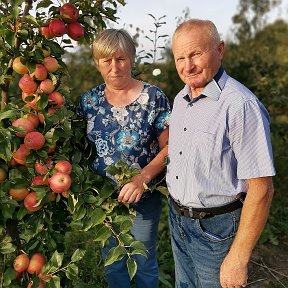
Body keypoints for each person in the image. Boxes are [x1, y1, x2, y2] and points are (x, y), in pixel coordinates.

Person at [166, 19, 275, 288]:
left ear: (220, 49)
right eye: (180, 58)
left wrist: (238, 258)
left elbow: (262, 188)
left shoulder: (240, 105)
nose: (187, 66)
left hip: (217, 230)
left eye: (195, 54)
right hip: (178, 221)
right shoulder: (181, 99)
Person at [78, 28, 170, 288]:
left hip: (144, 196)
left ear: (131, 59)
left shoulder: (153, 98)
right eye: (106, 60)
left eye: (120, 59)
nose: (114, 67)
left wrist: (143, 178)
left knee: (142, 260)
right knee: (114, 262)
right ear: (97, 63)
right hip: (104, 200)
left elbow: (170, 147)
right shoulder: (89, 101)